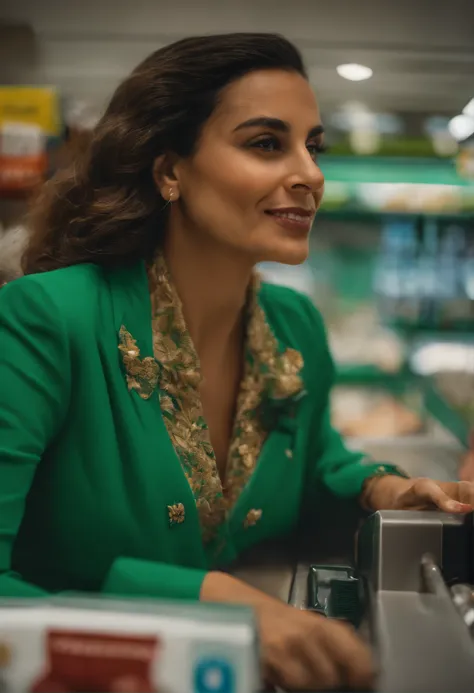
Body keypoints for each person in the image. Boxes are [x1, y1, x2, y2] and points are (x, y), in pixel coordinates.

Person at [1, 33, 473, 692]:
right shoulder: (47, 318)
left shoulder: (293, 326)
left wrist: (385, 489)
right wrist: (205, 600)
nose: (310, 174)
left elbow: (312, 461)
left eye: (314, 146)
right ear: (170, 171)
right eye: (266, 143)